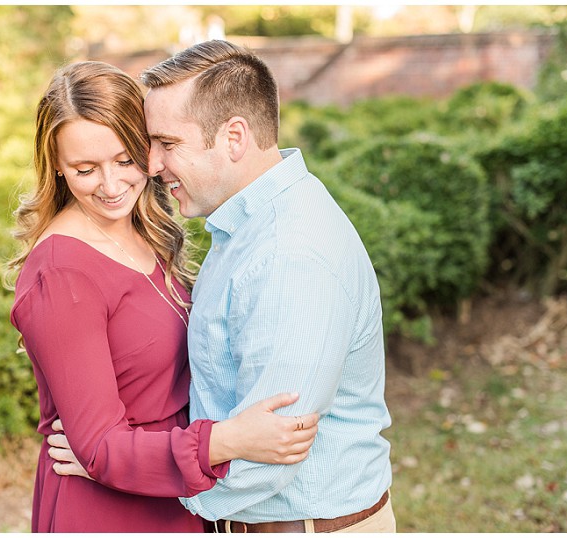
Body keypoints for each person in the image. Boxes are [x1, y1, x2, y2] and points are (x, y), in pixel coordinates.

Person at [50, 40, 396, 533]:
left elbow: (270, 455)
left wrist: (119, 471)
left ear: (235, 137)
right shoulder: (247, 224)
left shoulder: (289, 256)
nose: (151, 165)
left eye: (168, 144)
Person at [6, 60, 320, 533]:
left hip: (174, 493)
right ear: (55, 164)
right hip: (110, 510)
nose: (111, 187)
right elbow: (101, 449)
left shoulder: (146, 231)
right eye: (85, 169)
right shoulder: (63, 274)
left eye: (125, 160)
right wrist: (228, 440)